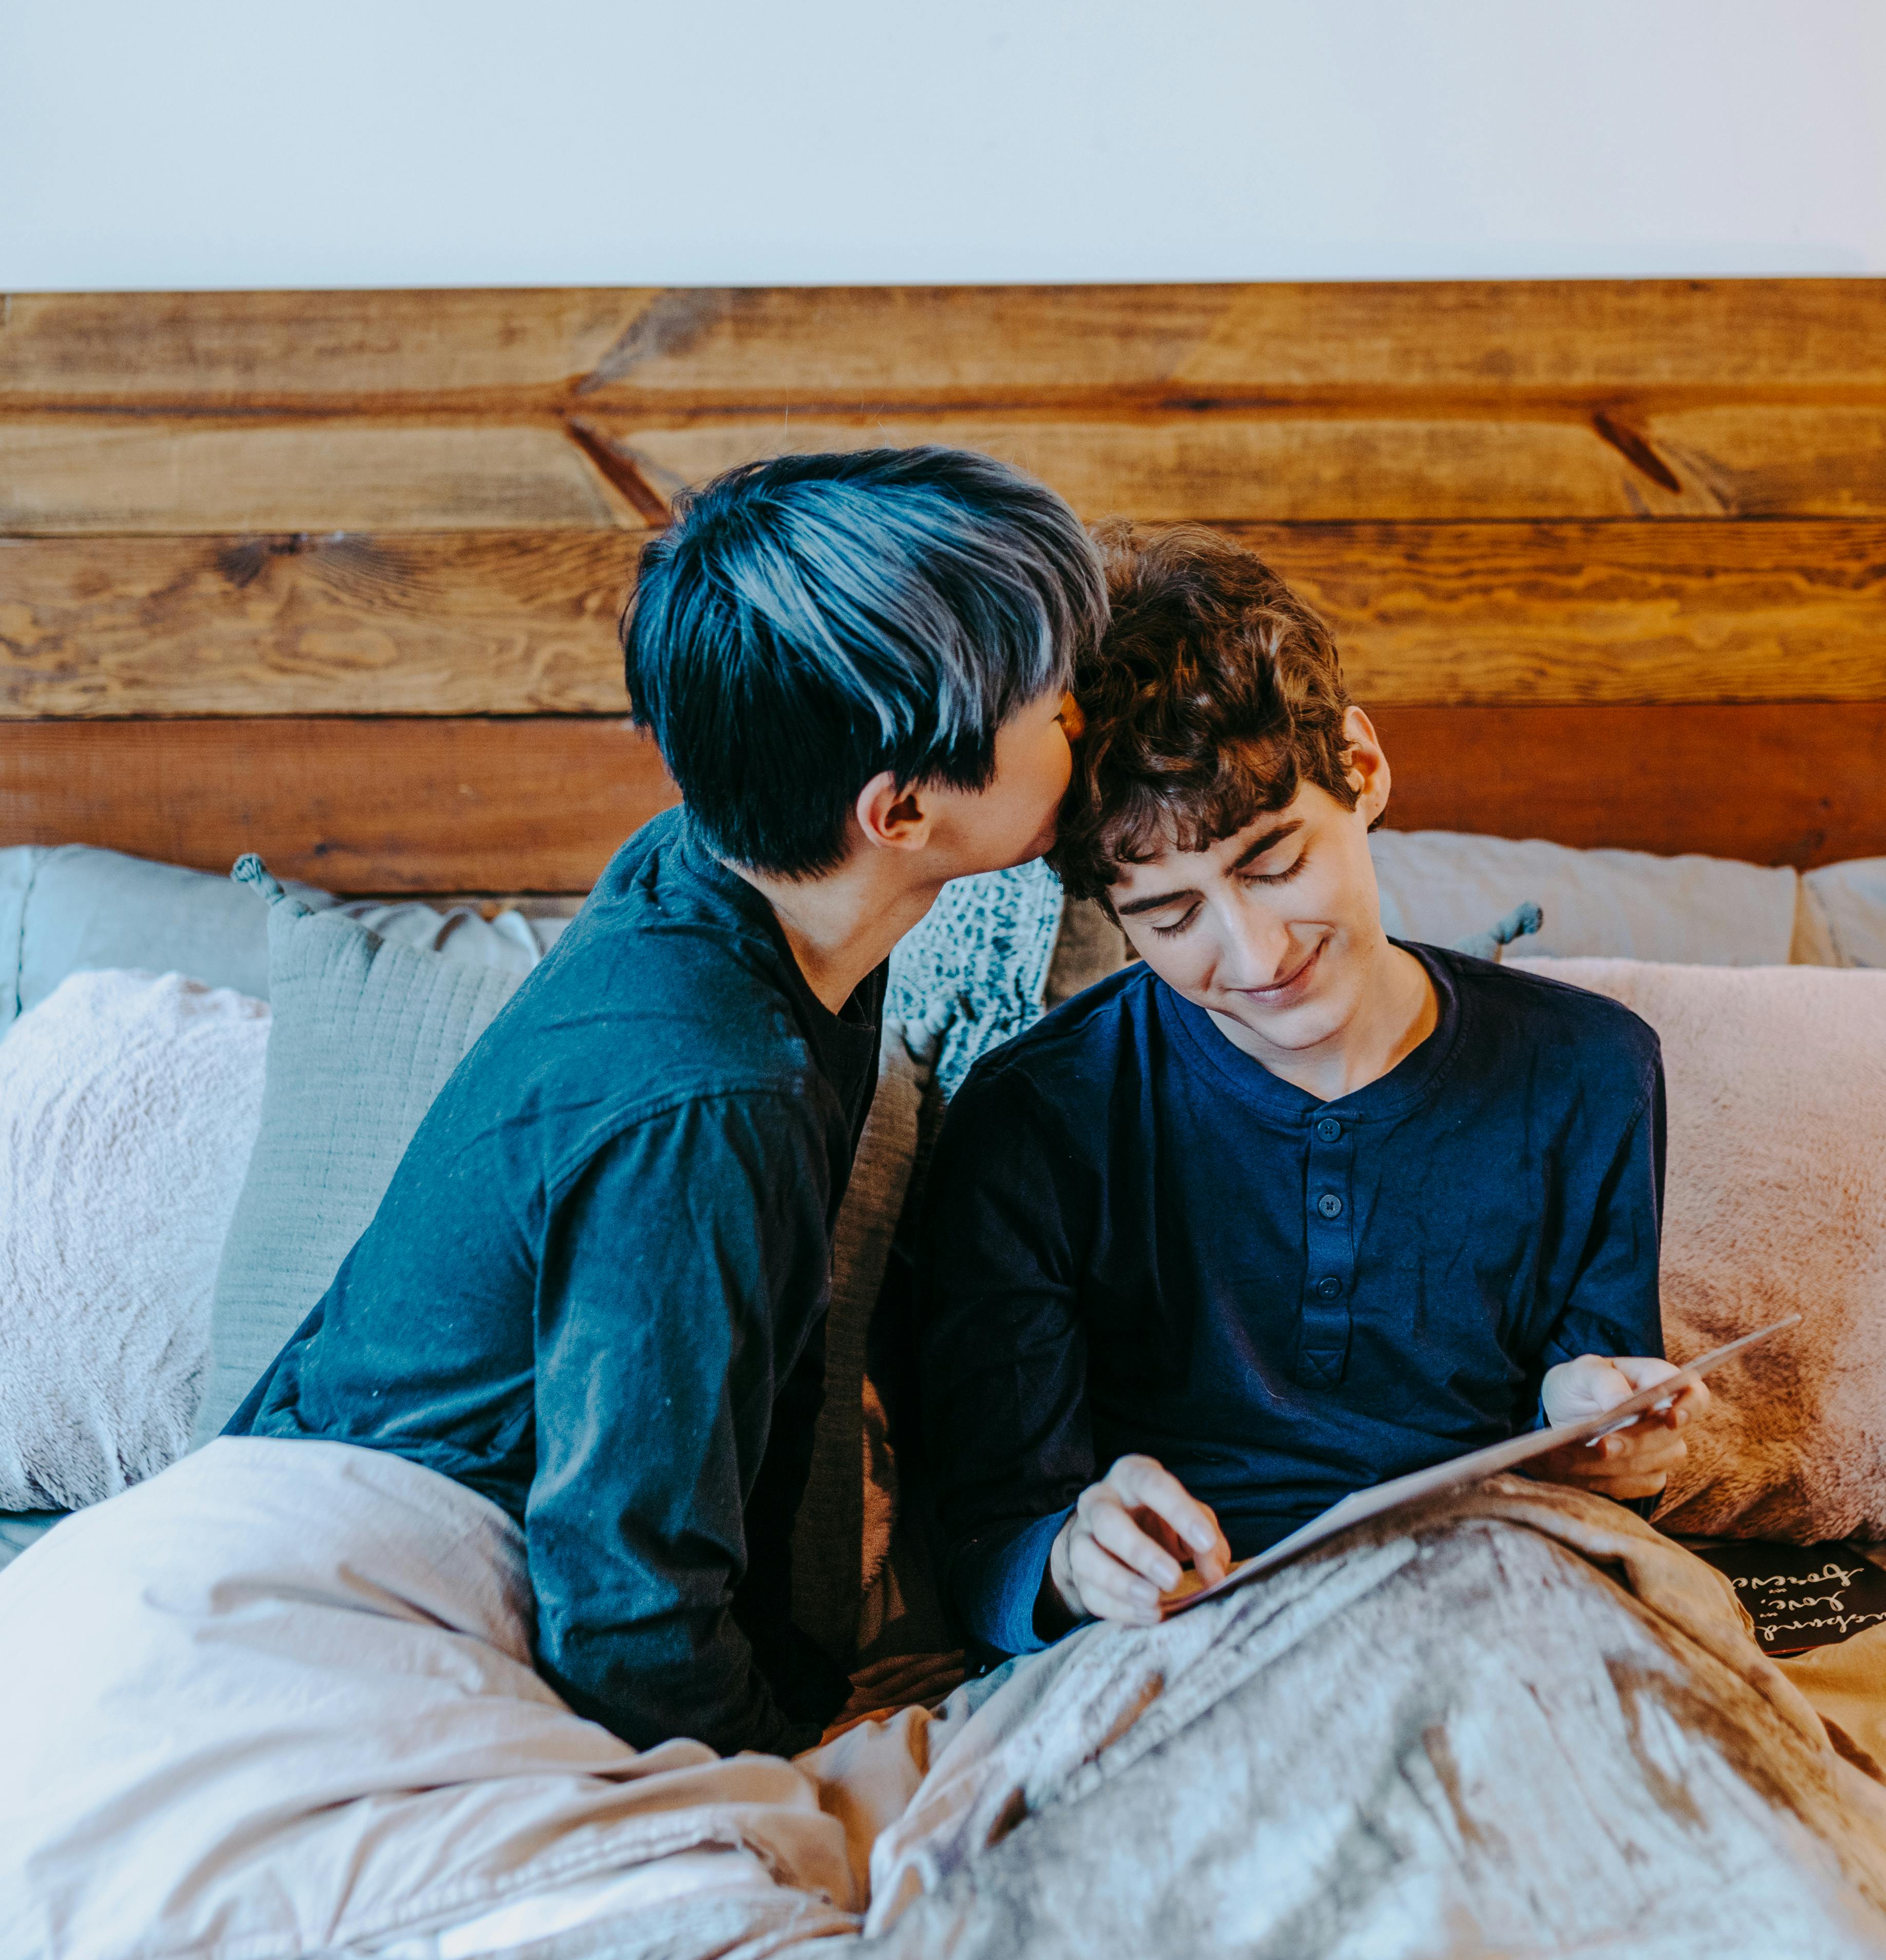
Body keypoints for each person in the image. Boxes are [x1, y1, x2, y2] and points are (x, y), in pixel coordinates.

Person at [227, 448, 1105, 1753]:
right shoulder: (712, 1098)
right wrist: (785, 1790)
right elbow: (627, 1613)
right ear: (902, 807)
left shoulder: (731, 871)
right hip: (339, 1627)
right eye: (1057, 703)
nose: (1084, 716)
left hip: (349, 1538)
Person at [916, 524, 1707, 1652]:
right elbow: (995, 1533)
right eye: (1170, 914)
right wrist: (1075, 1559)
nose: (1251, 955)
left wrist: (1604, 1434)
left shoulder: (1591, 1069)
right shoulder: (1037, 1116)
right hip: (1188, 1636)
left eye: (1273, 860)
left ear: (1363, 768)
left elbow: (1594, 1436)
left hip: (1505, 1606)